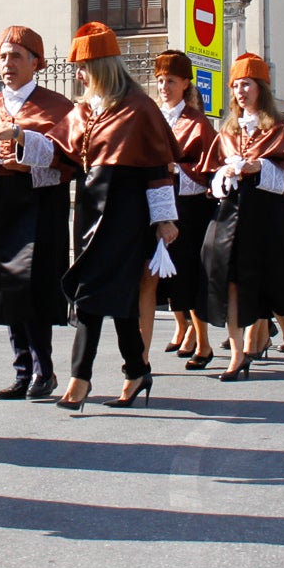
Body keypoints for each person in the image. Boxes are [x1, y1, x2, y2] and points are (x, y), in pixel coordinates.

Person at [41, 23, 183, 410]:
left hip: (125, 213)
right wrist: (21, 140)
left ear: (102, 66)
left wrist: (164, 220)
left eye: (83, 67)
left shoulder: (139, 108)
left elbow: (158, 168)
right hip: (88, 210)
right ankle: (137, 370)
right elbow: (59, 151)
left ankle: (79, 380)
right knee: (116, 299)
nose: (77, 75)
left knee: (92, 292)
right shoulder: (85, 109)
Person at [0, 25, 74, 401]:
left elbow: (70, 158)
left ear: (35, 62)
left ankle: (44, 369)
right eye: (3, 57)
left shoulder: (57, 106)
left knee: (34, 285)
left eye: (16, 56)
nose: (7, 64)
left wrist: (27, 160)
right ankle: (22, 369)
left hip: (38, 204)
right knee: (6, 287)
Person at [200, 53, 284, 378]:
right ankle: (237, 354)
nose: (240, 91)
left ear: (260, 87)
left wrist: (260, 166)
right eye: (235, 85)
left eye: (246, 84)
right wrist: (225, 173)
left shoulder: (281, 128)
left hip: (267, 217)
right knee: (229, 280)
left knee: (272, 282)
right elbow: (211, 171)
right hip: (232, 215)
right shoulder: (228, 130)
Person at [149, 49, 218, 370]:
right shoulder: (151, 116)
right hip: (154, 204)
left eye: (171, 81)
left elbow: (206, 175)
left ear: (186, 84)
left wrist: (176, 169)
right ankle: (182, 330)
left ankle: (203, 342)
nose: (164, 87)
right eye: (160, 80)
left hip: (188, 210)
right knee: (164, 276)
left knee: (188, 275)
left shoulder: (198, 123)